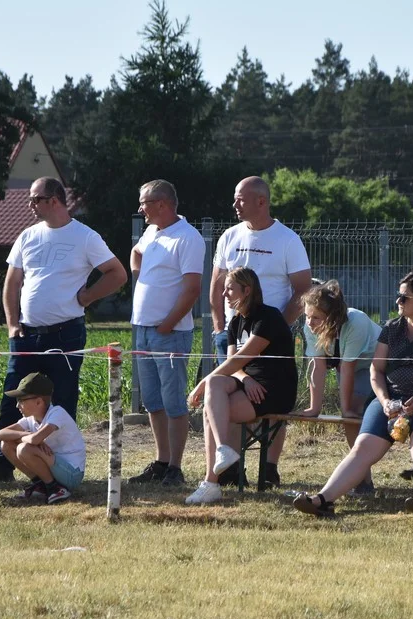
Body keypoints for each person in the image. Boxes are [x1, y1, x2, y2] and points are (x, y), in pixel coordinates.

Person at [0, 177, 126, 483]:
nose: (30, 205)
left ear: (54, 200)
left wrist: (87, 296)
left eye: (35, 199)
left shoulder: (85, 236)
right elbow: (12, 282)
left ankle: (57, 469)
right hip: (26, 334)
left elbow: (117, 273)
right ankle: (1, 465)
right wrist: (13, 322)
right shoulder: (27, 236)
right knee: (13, 398)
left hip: (65, 334)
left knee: (60, 401)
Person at [293, 271, 413, 518]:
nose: (398, 303)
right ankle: (323, 499)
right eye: (398, 297)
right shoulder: (392, 328)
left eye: (404, 298)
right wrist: (384, 401)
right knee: (362, 448)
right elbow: (376, 369)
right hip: (392, 398)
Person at [208, 176, 312, 486]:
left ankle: (269, 467)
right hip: (232, 333)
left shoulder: (287, 240)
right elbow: (216, 284)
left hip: (270, 338)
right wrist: (218, 326)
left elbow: (303, 291)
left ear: (261, 202)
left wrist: (275, 326)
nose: (234, 205)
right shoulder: (229, 236)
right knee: (229, 396)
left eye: (240, 199)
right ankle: (229, 469)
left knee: (269, 400)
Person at [185, 268, 298, 504]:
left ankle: (211, 482)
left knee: (211, 406)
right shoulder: (236, 321)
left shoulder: (269, 317)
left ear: (247, 290)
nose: (224, 293)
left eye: (229, 288)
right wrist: (245, 379)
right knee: (215, 387)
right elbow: (232, 364)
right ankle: (222, 456)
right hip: (247, 385)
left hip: (273, 389)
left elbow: (241, 358)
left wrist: (201, 385)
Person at [127, 180, 203, 487]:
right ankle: (160, 461)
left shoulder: (188, 237)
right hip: (143, 330)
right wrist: (140, 275)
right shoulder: (151, 232)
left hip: (169, 333)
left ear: (162, 204)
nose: (140, 209)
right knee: (152, 401)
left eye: (144, 203)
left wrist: (168, 324)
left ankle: (175, 466)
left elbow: (192, 288)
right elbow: (136, 253)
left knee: (173, 402)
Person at [298, 280, 382, 494]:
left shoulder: (356, 322)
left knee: (351, 411)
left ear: (332, 317)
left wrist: (346, 410)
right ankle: (364, 480)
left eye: (315, 317)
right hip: (352, 368)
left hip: (378, 366)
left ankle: (362, 478)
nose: (309, 322)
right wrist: (314, 408)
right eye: (307, 316)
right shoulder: (311, 327)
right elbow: (318, 366)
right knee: (350, 420)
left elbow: (348, 367)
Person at [0, 372, 85, 505]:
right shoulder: (30, 420)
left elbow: (35, 440)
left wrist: (33, 440)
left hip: (71, 474)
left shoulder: (57, 413)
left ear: (38, 402)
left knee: (24, 449)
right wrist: (25, 435)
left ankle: (54, 488)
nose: (17, 405)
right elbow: (0, 434)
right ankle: (40, 485)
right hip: (54, 466)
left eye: (21, 400)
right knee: (6, 445)